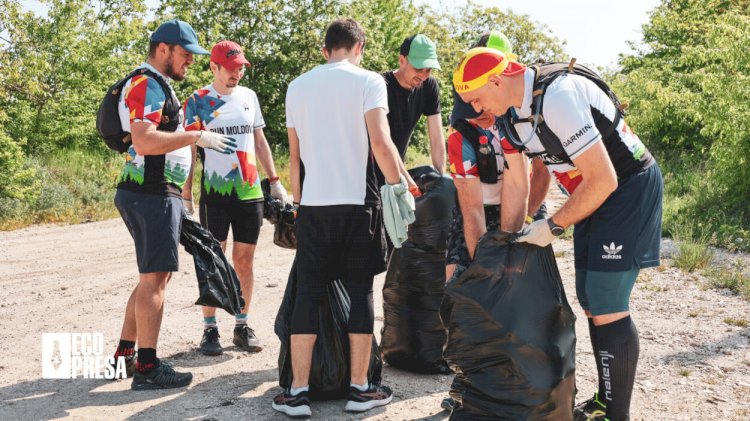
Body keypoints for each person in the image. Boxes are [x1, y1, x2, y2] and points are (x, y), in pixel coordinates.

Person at [453, 47, 663, 421]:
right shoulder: (506, 117)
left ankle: (618, 415)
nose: (476, 109)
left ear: (497, 80)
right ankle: (605, 403)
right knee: (589, 300)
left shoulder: (558, 97)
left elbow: (605, 178)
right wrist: (507, 244)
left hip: (627, 185)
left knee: (606, 301)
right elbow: (516, 182)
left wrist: (552, 226)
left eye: (478, 98)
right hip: (590, 192)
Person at [272, 18, 403, 417]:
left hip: (313, 205)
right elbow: (380, 141)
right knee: (361, 292)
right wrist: (400, 188)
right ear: (359, 46)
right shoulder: (369, 82)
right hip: (358, 204)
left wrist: (298, 204)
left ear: (325, 49)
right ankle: (361, 388)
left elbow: (294, 156)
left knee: (308, 293)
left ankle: (297, 392)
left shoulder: (298, 87)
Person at [110, 20, 236, 390]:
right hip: (151, 192)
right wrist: (196, 135)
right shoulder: (147, 83)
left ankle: (124, 357)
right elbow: (145, 141)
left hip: (155, 192)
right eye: (185, 55)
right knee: (155, 279)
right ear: (163, 49)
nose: (190, 62)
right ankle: (147, 368)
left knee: (153, 276)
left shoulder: (154, 84)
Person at [441, 31, 550, 413]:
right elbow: (470, 209)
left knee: (523, 298)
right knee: (465, 288)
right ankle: (468, 378)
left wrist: (521, 230)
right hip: (478, 213)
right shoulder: (463, 134)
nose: (483, 105)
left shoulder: (528, 114)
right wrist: (487, 260)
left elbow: (539, 176)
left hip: (522, 208)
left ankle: (527, 378)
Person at [182, 40, 288, 356]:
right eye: (231, 68)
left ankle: (242, 326)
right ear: (213, 67)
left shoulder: (248, 97)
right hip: (215, 194)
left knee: (244, 261)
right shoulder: (198, 101)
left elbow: (259, 139)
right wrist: (186, 193)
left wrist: (276, 181)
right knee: (213, 259)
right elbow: (188, 148)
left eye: (240, 67)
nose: (237, 74)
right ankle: (210, 329)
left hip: (250, 192)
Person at [378, 34, 445, 187]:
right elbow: (383, 141)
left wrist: (441, 180)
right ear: (402, 60)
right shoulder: (380, 85)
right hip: (370, 172)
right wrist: (409, 184)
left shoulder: (429, 86)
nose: (423, 75)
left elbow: (436, 136)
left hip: (398, 173)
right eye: (418, 68)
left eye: (428, 69)